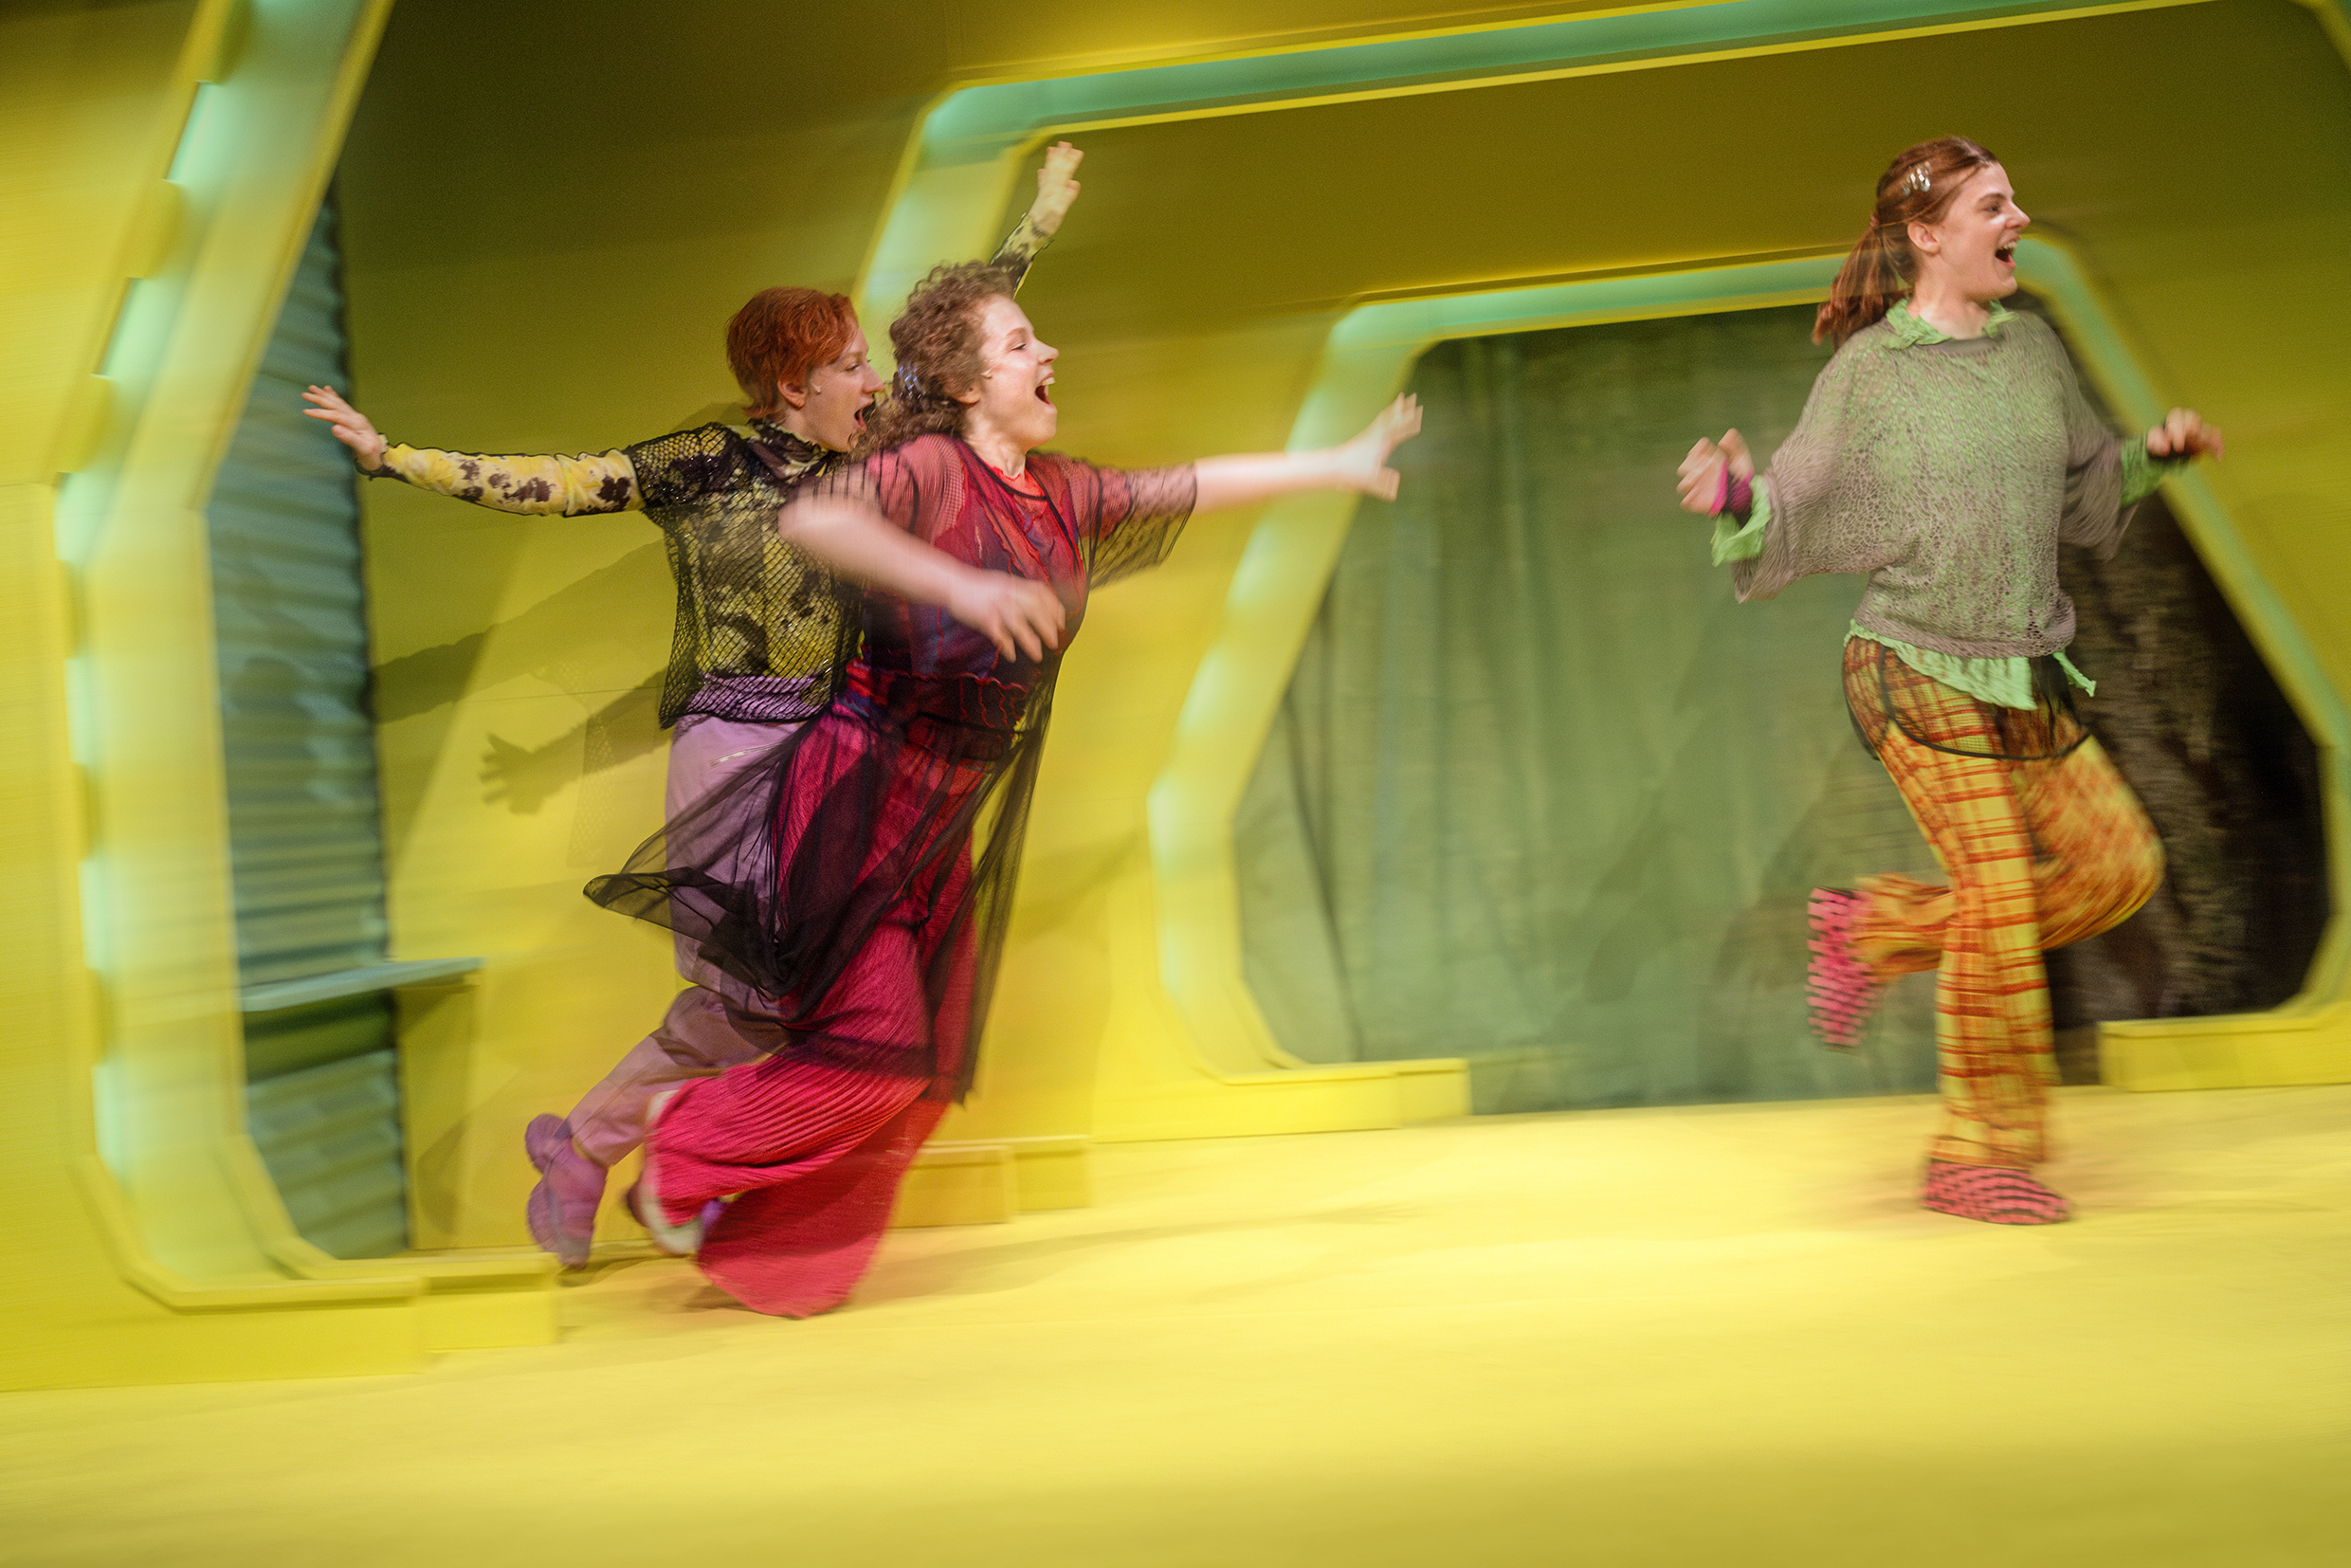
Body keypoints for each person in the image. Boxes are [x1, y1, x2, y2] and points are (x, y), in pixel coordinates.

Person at [584, 259, 1423, 1314]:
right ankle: (684, 1142)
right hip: (856, 802)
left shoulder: (1061, 493)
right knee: (874, 1051)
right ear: (967, 383)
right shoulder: (931, 470)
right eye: (1022, 342)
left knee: (928, 1068)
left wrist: (1336, 464)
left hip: (940, 822)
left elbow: (1188, 485)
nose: (1048, 352)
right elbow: (818, 523)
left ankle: (765, 1250)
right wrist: (962, 585)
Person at [299, 147, 1088, 1266]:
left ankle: (626, 1154)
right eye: (850, 366)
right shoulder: (704, 462)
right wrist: (394, 457)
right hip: (733, 749)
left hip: (837, 757)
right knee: (750, 999)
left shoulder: (874, 454)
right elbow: (564, 482)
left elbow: (960, 341)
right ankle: (612, 1153)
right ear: (792, 385)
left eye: (869, 365)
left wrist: (1039, 220)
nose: (872, 383)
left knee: (816, 1001)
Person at [1675, 137, 2223, 1226]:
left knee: (2118, 866)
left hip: (2023, 666)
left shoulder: (2031, 351)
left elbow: (2080, 489)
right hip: (1912, 667)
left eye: (2014, 201)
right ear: (1926, 235)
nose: (2016, 220)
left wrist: (2152, 457)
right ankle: (1974, 1150)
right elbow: (1793, 496)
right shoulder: (1871, 372)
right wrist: (1734, 498)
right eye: (1991, 205)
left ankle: (1871, 930)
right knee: (1999, 893)